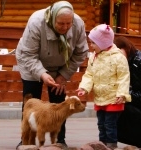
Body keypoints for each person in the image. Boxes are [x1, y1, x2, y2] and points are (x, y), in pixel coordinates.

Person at [15, 1, 89, 149]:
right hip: (31, 62)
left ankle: (59, 140)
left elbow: (81, 53)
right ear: (53, 18)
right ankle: (26, 140)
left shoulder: (78, 24)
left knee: (60, 101)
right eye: (61, 23)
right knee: (32, 100)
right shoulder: (37, 22)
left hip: (60, 65)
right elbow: (29, 54)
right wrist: (42, 74)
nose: (65, 27)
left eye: (68, 23)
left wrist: (63, 76)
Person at [76, 24, 131, 150]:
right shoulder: (94, 57)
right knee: (101, 123)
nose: (91, 45)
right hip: (100, 97)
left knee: (109, 123)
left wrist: (122, 94)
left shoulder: (118, 58)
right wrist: (84, 87)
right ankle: (102, 143)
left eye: (93, 43)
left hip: (114, 98)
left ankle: (111, 144)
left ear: (103, 43)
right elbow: (89, 74)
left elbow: (124, 77)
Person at [114, 36, 141, 148]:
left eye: (118, 51)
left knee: (125, 109)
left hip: (137, 100)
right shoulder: (126, 61)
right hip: (135, 98)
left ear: (126, 48)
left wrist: (125, 94)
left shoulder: (138, 62)